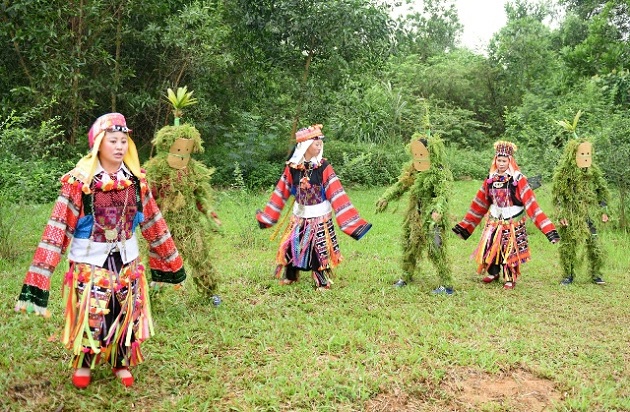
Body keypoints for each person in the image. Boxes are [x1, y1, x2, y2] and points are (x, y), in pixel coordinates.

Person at [15, 113, 186, 389]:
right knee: (91, 310)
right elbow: (57, 228)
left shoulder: (135, 181)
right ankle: (84, 362)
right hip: (89, 261)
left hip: (127, 258)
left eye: (123, 141)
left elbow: (153, 222)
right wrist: (40, 276)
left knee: (124, 309)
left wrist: (170, 260)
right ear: (98, 144)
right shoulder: (79, 183)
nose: (119, 146)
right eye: (112, 141)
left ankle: (120, 360)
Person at [256, 124, 372, 290]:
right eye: (316, 143)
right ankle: (291, 275)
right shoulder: (292, 167)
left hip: (319, 217)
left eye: (320, 144)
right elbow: (281, 192)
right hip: (299, 217)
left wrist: (351, 223)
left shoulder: (323, 167)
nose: (319, 146)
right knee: (291, 245)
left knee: (319, 249)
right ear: (305, 146)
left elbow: (337, 192)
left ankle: (321, 281)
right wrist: (268, 217)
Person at [452, 141, 559, 290]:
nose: (501, 164)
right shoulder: (491, 179)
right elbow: (479, 204)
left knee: (509, 250)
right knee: (491, 246)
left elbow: (532, 205)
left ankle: (510, 278)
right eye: (499, 160)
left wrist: (548, 230)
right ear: (495, 160)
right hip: (494, 220)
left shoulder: (518, 179)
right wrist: (465, 227)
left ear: (510, 161)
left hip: (512, 222)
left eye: (504, 161)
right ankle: (493, 273)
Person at [143, 122, 222, 302]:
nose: (182, 154)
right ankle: (153, 297)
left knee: (200, 256)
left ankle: (210, 291)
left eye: (186, 150)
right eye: (178, 149)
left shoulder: (192, 169)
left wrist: (209, 213)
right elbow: (148, 197)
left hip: (189, 224)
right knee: (160, 260)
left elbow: (199, 196)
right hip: (163, 226)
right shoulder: (157, 169)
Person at [375, 132, 455, 294]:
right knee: (410, 246)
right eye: (415, 154)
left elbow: (443, 194)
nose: (418, 157)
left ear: (430, 153)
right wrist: (386, 197)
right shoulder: (413, 169)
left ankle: (447, 285)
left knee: (436, 248)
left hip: (432, 218)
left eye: (421, 154)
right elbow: (401, 185)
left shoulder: (438, 171)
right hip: (415, 216)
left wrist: (438, 209)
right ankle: (406, 276)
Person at [552, 139, 609, 285]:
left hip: (589, 213)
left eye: (587, 153)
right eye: (582, 153)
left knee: (594, 242)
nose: (585, 157)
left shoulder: (593, 172)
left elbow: (601, 191)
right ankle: (568, 274)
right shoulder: (565, 173)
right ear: (573, 155)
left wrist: (604, 210)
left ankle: (596, 274)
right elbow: (558, 196)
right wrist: (561, 215)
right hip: (571, 213)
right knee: (569, 245)